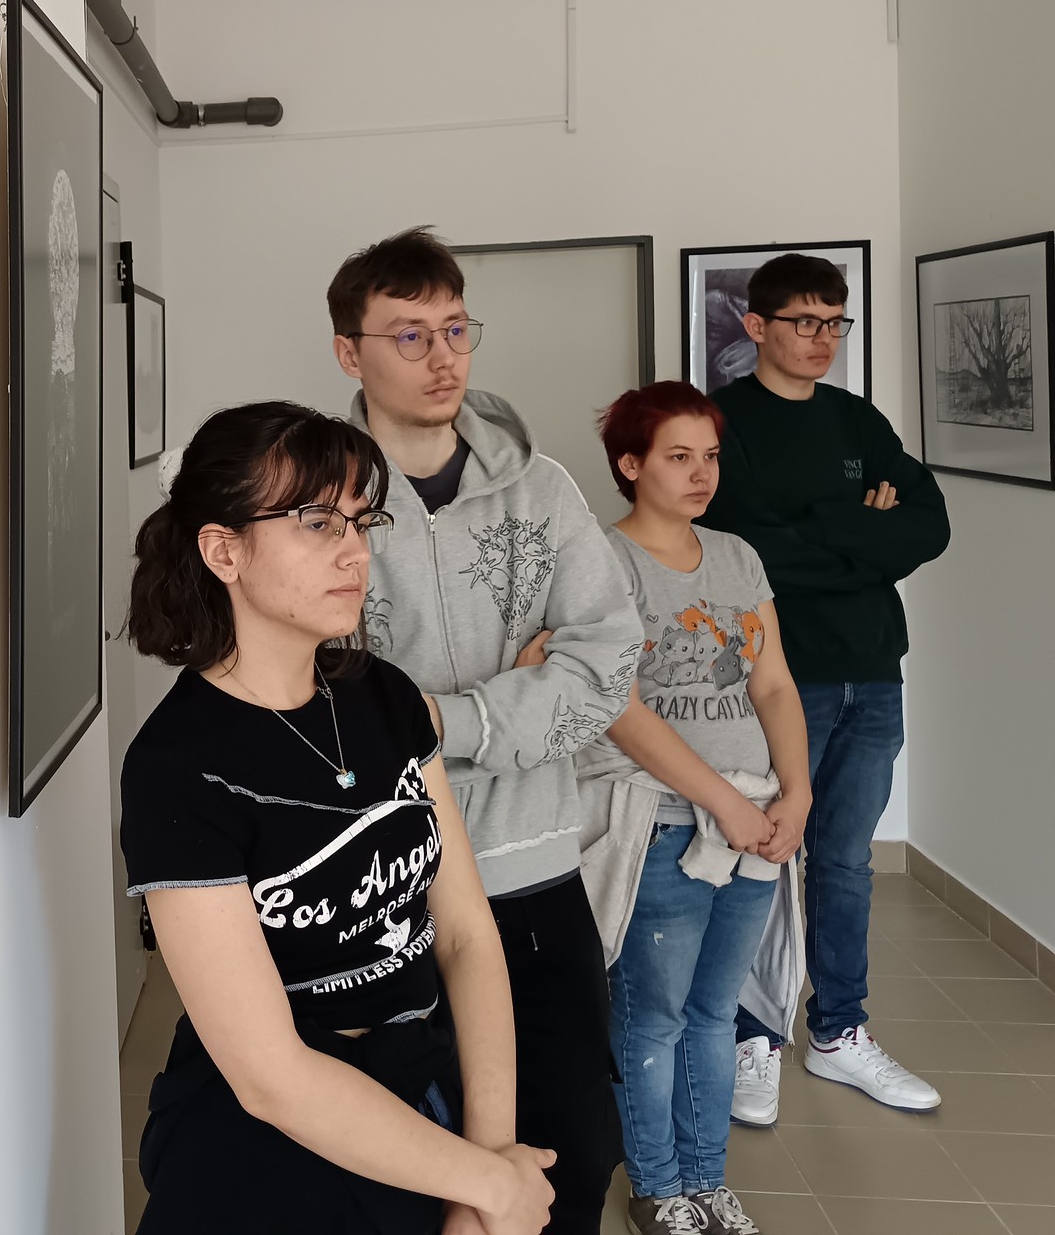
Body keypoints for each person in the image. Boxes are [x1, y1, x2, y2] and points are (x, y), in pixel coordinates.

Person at [121, 401, 558, 1235]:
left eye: (362, 522)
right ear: (224, 550)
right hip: (270, 1151)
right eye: (318, 523)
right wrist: (491, 1185)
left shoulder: (382, 696)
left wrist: (488, 1165)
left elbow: (466, 934)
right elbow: (271, 1077)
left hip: (419, 1094)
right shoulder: (178, 768)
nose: (356, 552)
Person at [328, 227, 642, 1234]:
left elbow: (605, 666)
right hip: (378, 880)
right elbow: (313, 691)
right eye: (409, 335)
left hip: (530, 870)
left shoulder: (542, 491)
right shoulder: (319, 499)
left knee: (570, 1150)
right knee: (401, 1161)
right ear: (349, 352)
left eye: (456, 329)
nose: (442, 356)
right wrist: (522, 685)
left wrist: (441, 716)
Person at [699, 254, 951, 1123]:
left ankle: (839, 1033)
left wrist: (821, 532)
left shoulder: (857, 420)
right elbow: (741, 549)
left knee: (844, 863)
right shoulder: (724, 424)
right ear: (757, 327)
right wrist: (861, 536)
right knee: (761, 855)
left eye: (835, 322)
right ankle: (751, 1036)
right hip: (777, 676)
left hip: (872, 671)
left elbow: (929, 526)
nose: (823, 339)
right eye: (804, 321)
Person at [575, 382, 811, 1235]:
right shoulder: (603, 562)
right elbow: (620, 707)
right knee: (654, 1017)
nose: (701, 473)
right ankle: (658, 1187)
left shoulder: (737, 557)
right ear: (631, 464)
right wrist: (723, 804)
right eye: (678, 457)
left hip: (756, 822)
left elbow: (772, 682)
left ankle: (708, 1181)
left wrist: (798, 792)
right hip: (664, 825)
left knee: (717, 1014)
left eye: (709, 456)